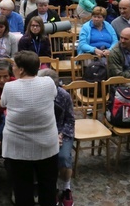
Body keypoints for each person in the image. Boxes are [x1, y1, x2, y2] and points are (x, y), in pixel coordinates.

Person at [0, 51, 59, 206]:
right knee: (48, 185)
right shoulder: (48, 82)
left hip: (19, 146)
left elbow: (3, 103)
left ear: (21, 70)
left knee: (22, 188)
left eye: (14, 65)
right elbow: (53, 96)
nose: (12, 68)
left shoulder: (9, 87)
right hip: (46, 144)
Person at [37, 68, 75, 206]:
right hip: (42, 132)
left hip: (62, 132)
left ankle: (66, 187)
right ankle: (49, 188)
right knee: (43, 158)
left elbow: (70, 120)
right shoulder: (35, 95)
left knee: (64, 157)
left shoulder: (64, 95)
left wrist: (60, 135)